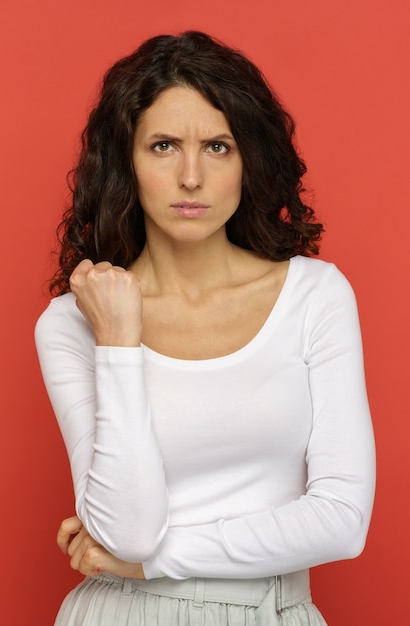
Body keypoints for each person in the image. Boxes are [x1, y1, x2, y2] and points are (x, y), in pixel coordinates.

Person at [35, 30, 375, 626]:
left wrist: (159, 561)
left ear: (249, 159)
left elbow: (342, 521)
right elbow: (130, 532)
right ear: (127, 162)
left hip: (272, 612)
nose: (191, 177)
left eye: (217, 147)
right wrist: (118, 341)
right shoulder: (74, 324)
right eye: (163, 146)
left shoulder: (315, 295)